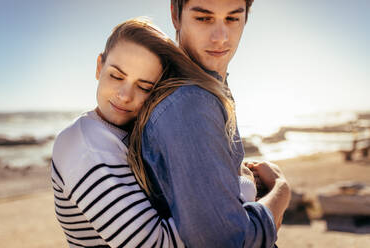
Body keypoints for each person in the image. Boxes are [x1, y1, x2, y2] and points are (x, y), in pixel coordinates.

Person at [51, 18, 257, 248]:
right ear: (99, 66)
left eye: (144, 86)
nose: (125, 95)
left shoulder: (134, 135)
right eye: (116, 76)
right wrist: (244, 187)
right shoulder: (85, 142)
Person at [127, 0, 291, 247]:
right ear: (175, 14)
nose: (220, 38)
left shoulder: (209, 88)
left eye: (232, 19)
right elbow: (228, 242)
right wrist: (281, 191)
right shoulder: (191, 102)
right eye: (204, 19)